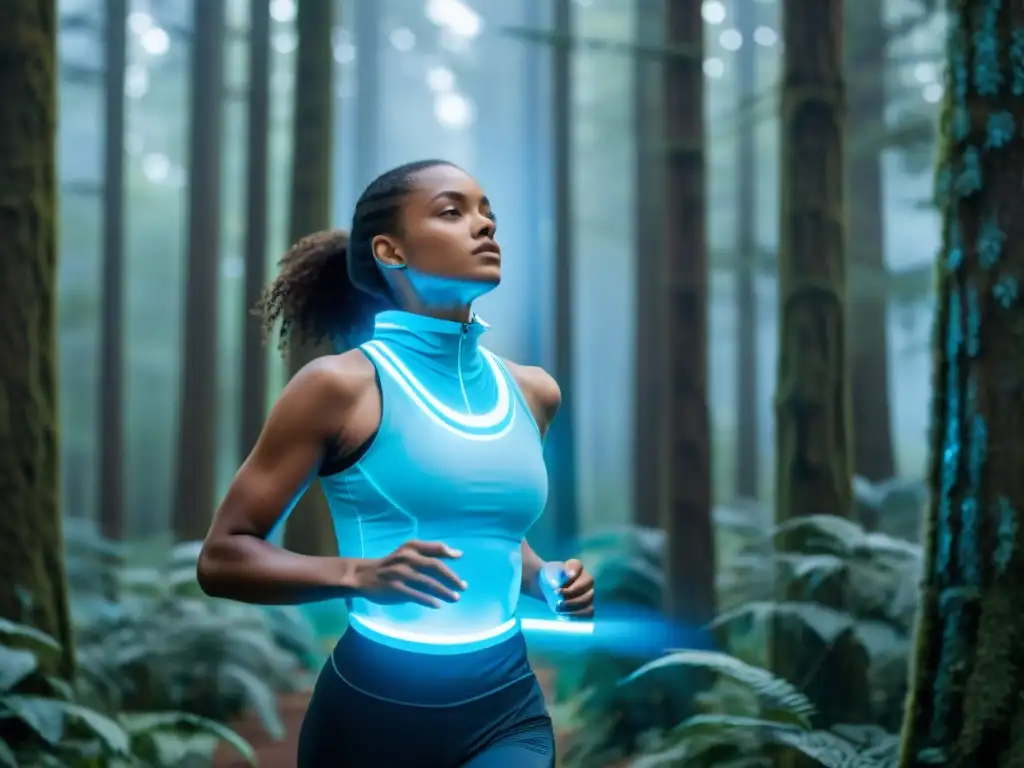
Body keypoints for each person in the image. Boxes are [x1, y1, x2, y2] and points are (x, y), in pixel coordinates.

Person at [196, 159, 595, 767]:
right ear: (392, 251)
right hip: (372, 713)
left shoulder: (534, 392)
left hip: (505, 705)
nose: (485, 226)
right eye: (452, 211)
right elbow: (223, 557)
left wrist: (543, 578)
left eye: (487, 211)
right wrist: (355, 575)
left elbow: (485, 536)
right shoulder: (339, 388)